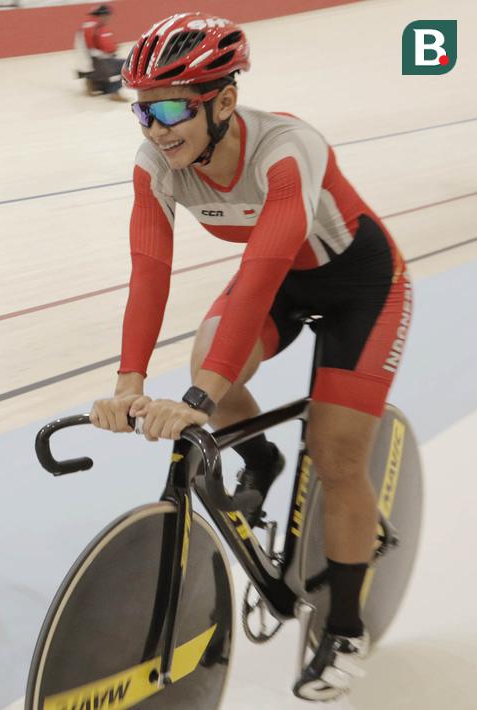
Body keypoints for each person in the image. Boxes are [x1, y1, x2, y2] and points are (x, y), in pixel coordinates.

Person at [88, 13, 411, 701]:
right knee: (208, 360)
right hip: (286, 281)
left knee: (336, 454)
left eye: (171, 109)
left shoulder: (286, 149)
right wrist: (127, 382)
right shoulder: (155, 164)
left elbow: (261, 272)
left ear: (225, 101)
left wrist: (197, 402)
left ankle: (345, 627)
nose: (155, 129)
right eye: (142, 110)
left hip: (361, 288)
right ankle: (260, 459)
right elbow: (149, 271)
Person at [74, 5, 125, 100]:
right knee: (126, 65)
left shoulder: (85, 25)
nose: (109, 18)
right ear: (103, 15)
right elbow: (105, 49)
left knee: (110, 63)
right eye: (108, 16)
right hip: (94, 66)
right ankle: (115, 92)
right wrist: (113, 50)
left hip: (82, 67)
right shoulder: (96, 27)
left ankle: (93, 84)